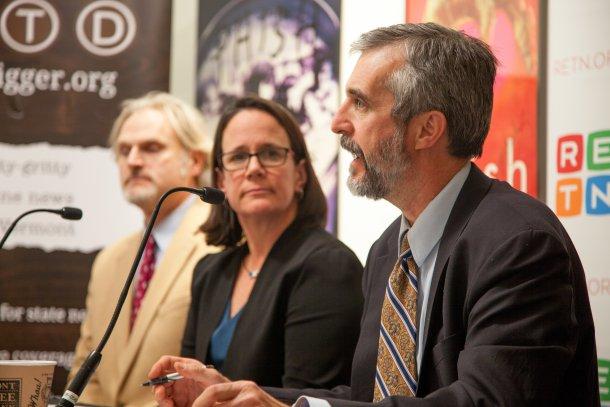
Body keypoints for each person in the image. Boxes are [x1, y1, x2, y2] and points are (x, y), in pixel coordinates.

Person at [149, 22, 599, 407]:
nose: (337, 122)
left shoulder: (517, 242)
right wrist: (239, 393)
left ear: (426, 129)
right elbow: (368, 397)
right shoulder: (389, 249)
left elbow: (484, 401)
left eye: (360, 103)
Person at [150, 95, 364, 396]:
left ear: (300, 175)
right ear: (221, 181)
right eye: (238, 157)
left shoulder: (327, 265)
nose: (253, 168)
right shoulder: (209, 272)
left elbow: (312, 399)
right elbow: (191, 379)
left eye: (270, 153)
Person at [69, 92, 217, 406]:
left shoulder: (222, 244)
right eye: (124, 151)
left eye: (151, 148)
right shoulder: (109, 260)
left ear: (194, 160)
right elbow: (86, 376)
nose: (133, 160)